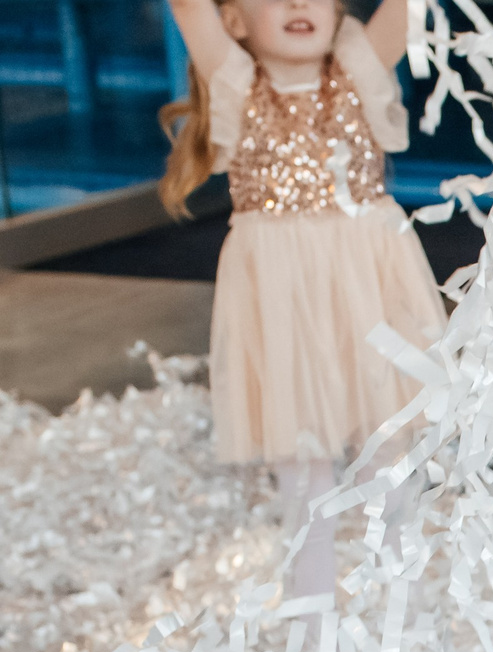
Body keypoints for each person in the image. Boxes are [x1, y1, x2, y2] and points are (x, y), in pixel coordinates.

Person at [160, 0, 449, 610]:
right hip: (282, 292)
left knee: (387, 458)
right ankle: (311, 637)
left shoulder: (359, 66)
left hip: (370, 284)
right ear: (235, 20)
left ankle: (406, 626)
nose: (298, 4)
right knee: (305, 477)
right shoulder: (237, 82)